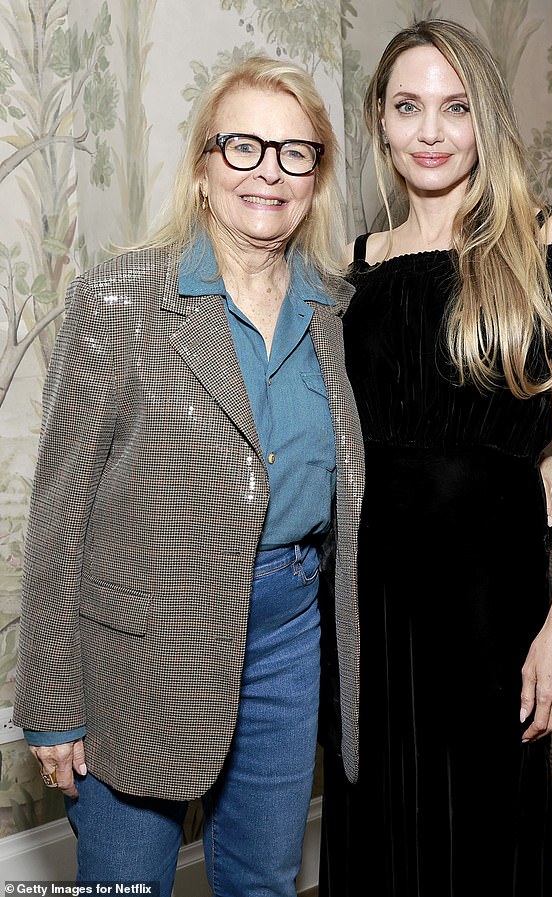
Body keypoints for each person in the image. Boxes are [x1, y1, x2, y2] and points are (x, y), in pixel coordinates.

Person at [13, 55, 364, 897]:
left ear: (316, 176)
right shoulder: (119, 298)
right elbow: (58, 515)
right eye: (241, 147)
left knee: (262, 880)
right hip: (142, 649)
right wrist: (52, 699)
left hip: (289, 639)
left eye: (295, 152)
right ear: (204, 169)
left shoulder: (334, 308)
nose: (268, 172)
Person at [318, 19, 552, 897]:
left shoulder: (545, 242)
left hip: (492, 595)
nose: (430, 130)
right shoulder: (359, 266)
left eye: (454, 107)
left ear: (483, 119)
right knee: (376, 825)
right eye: (408, 106)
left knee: (484, 828)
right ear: (378, 120)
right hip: (368, 597)